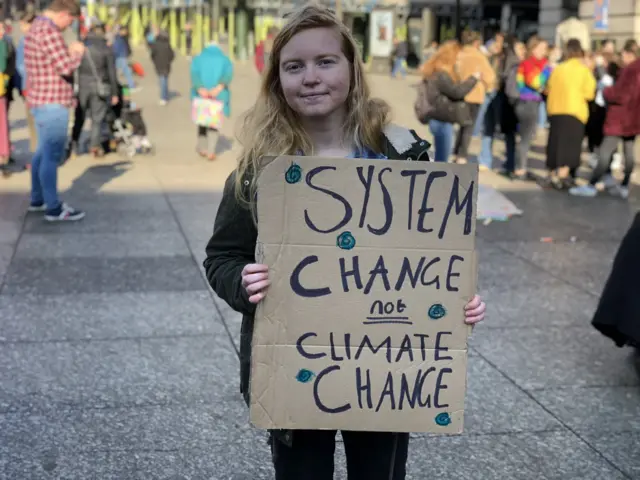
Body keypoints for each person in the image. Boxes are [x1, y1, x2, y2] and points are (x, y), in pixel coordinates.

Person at [203, 7, 486, 478]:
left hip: (386, 366)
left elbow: (433, 257)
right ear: (277, 80)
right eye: (293, 66)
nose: (310, 78)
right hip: (295, 363)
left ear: (353, 70)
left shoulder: (401, 155)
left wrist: (460, 299)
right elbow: (222, 256)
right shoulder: (258, 173)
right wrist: (241, 280)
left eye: (325, 62)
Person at [24, 0, 86, 221]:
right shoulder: (49, 31)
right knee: (51, 155)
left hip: (40, 100)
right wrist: (76, 52)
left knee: (41, 153)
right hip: (53, 102)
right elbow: (66, 67)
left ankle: (37, 199)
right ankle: (53, 207)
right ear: (62, 14)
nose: (68, 26)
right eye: (69, 21)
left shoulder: (36, 28)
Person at [570, 40, 640, 199]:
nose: (621, 58)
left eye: (623, 54)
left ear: (629, 54)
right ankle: (624, 184)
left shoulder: (630, 71)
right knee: (629, 152)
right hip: (633, 118)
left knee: (605, 152)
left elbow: (621, 95)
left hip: (620, 118)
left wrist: (607, 91)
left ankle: (592, 184)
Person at [544, 38, 595, 188]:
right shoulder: (583, 70)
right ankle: (563, 176)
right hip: (575, 112)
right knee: (570, 146)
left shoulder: (558, 69)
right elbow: (589, 93)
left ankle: (551, 174)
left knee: (555, 143)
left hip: (556, 110)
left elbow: (548, 87)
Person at [420, 40, 480, 162]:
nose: (458, 61)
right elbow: (456, 92)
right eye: (457, 57)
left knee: (441, 155)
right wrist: (473, 79)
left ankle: (438, 178)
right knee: (442, 158)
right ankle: (439, 180)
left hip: (438, 117)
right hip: (442, 119)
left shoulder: (437, 71)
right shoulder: (442, 74)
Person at [69, 23, 119, 157]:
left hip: (82, 86)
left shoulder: (82, 47)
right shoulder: (106, 49)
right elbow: (111, 73)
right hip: (99, 87)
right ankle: (94, 146)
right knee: (97, 118)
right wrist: (115, 92)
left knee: (80, 117)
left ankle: (74, 144)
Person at [509, 36, 551, 180]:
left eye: (545, 49)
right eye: (541, 48)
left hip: (532, 103)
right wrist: (548, 70)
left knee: (527, 137)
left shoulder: (537, 64)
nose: (544, 52)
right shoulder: (528, 64)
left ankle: (520, 167)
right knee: (525, 138)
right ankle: (520, 169)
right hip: (527, 104)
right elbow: (535, 82)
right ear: (532, 48)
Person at [453, 30, 495, 165]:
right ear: (476, 42)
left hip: (459, 93)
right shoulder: (479, 56)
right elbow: (490, 76)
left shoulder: (458, 54)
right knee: (469, 127)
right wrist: (488, 86)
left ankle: (455, 152)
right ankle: (462, 155)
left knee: (461, 125)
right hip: (474, 95)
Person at [190, 41, 233, 160]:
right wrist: (218, 88)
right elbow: (228, 75)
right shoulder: (225, 60)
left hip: (201, 96)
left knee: (202, 122)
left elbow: (194, 75)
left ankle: (202, 148)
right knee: (214, 123)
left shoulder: (198, 59)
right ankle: (211, 151)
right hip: (218, 96)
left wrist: (200, 88)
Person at [15, 12, 36, 155]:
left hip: (30, 87)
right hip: (31, 87)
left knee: (34, 123)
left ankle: (37, 154)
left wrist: (22, 86)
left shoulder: (28, 40)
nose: (21, 28)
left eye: (23, 24)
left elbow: (22, 67)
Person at [150, 30, 174, 105]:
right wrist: (169, 60)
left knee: (162, 80)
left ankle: (163, 97)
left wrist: (155, 61)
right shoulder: (167, 44)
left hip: (159, 64)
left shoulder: (155, 44)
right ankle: (165, 95)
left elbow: (152, 55)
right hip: (166, 64)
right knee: (165, 79)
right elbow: (172, 55)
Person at [112, 25, 135, 89]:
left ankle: (130, 86)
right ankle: (131, 86)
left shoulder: (122, 37)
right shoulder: (119, 38)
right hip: (120, 56)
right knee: (126, 71)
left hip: (121, 56)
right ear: (121, 31)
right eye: (124, 31)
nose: (125, 32)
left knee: (122, 71)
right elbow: (116, 48)